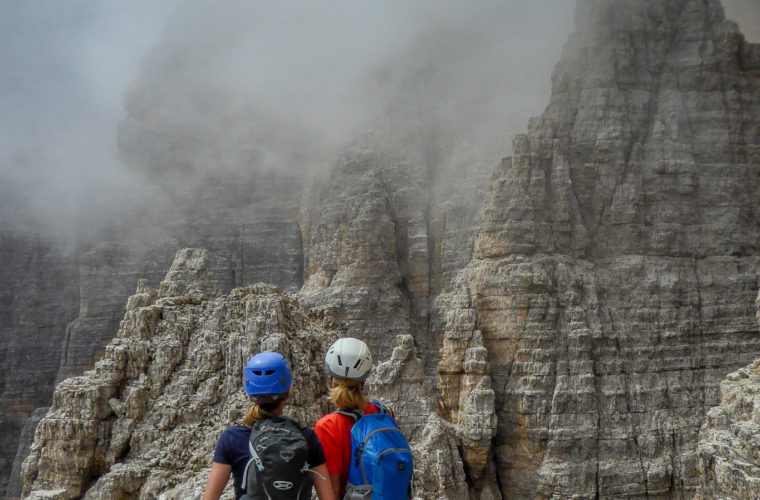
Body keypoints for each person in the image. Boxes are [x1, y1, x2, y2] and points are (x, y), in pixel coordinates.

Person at [203, 351, 336, 500]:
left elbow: (209, 497)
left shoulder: (232, 438)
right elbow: (328, 497)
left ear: (248, 394)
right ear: (287, 392)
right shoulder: (307, 437)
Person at [314, 337, 385, 498]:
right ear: (364, 380)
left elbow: (333, 490)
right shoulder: (383, 414)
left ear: (331, 379)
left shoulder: (327, 426)